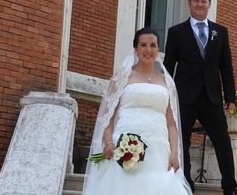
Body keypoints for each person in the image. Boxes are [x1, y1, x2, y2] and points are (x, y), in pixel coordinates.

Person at [82, 27, 192, 195]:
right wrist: (109, 143)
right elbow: (107, 117)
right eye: (143, 45)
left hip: (159, 150)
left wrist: (174, 154)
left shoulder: (167, 82)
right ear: (136, 49)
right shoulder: (123, 77)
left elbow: (172, 123)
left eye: (153, 45)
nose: (148, 50)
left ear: (158, 49)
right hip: (125, 145)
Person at [164, 0, 237, 195]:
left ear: (209, 4)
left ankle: (230, 187)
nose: (199, 4)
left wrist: (230, 97)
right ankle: (187, 185)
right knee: (182, 142)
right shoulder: (176, 32)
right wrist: (166, 95)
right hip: (184, 96)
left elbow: (226, 66)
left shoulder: (220, 32)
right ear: (190, 3)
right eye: (196, 1)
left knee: (222, 142)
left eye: (203, 1)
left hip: (212, 97)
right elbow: (169, 66)